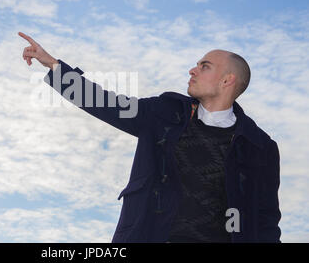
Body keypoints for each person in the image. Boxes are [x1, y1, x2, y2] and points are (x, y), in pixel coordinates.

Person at [19, 31, 282, 243]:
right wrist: (54, 65)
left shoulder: (260, 147)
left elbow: (266, 220)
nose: (192, 70)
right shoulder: (163, 113)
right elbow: (107, 104)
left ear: (227, 81)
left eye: (204, 66)